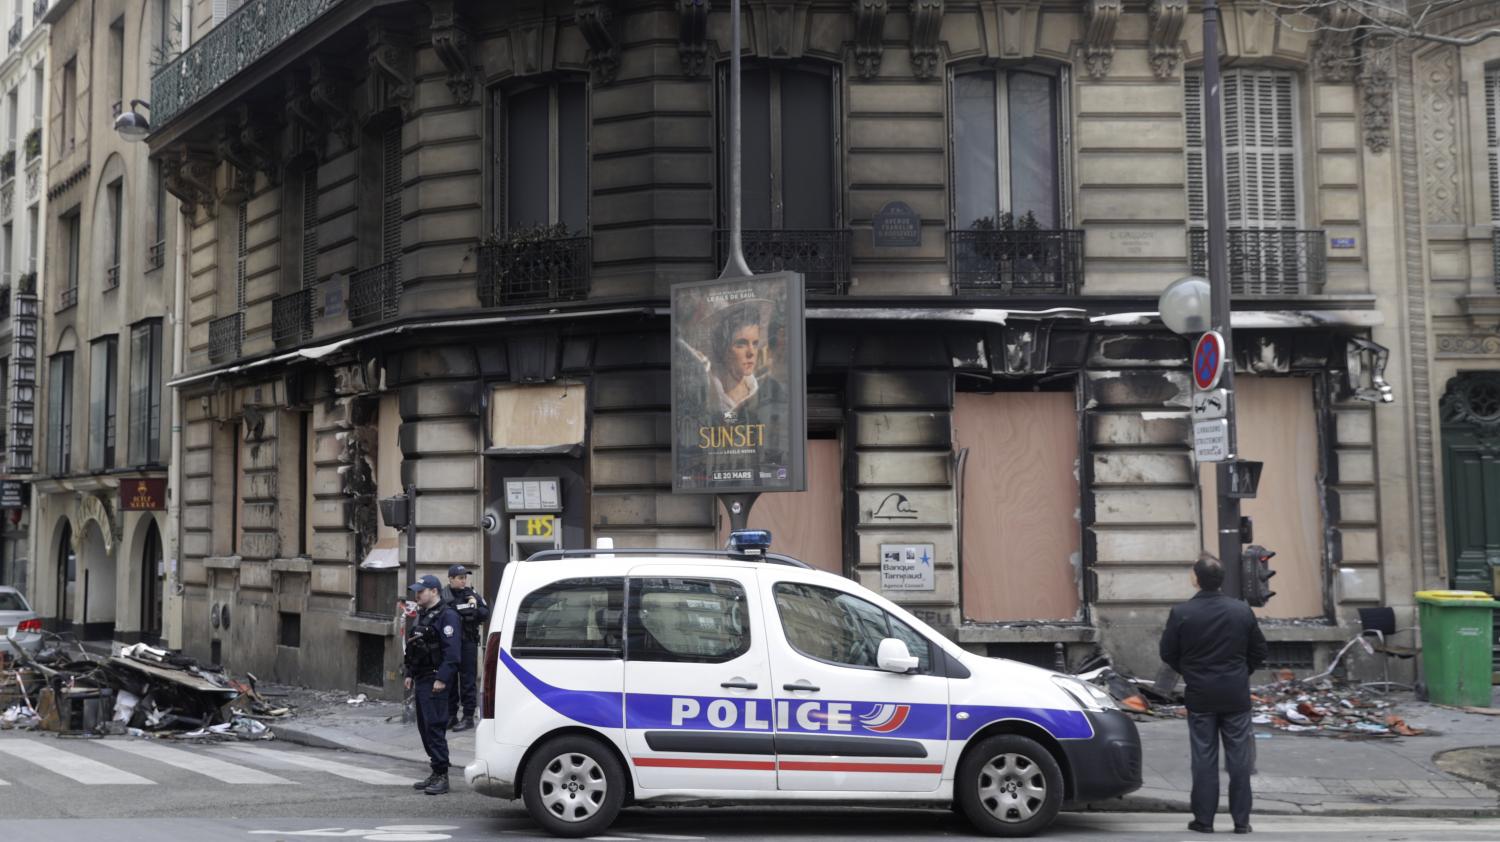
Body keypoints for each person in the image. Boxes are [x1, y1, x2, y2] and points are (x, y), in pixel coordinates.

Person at [1159, 555, 1269, 835]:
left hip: (1201, 695)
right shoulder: (1241, 611)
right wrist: (1240, 672)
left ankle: (1204, 820)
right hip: (1235, 694)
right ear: (1221, 580)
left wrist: (1190, 671)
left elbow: (1168, 653)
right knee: (1240, 759)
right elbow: (1259, 651)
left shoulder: (1182, 612)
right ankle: (1241, 821)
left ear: (1196, 579)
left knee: (1204, 759)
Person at [404, 574, 462, 795]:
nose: (417, 595)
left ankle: (442, 775)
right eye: (416, 591)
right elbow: (414, 647)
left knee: (435, 726)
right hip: (422, 677)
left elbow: (453, 654)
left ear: (434, 592)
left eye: (421, 591)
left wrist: (442, 679)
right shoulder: (423, 615)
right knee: (424, 727)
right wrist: (409, 671)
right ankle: (435, 770)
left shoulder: (448, 616)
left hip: (436, 679)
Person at [443, 564, 489, 732]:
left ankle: (468, 716)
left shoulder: (471, 594)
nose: (463, 581)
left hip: (468, 642)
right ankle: (451, 715)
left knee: (468, 679)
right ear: (451, 579)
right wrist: (467, 609)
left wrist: (473, 609)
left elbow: (485, 612)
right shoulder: (444, 595)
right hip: (449, 644)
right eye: (460, 578)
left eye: (465, 578)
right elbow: (445, 614)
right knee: (450, 680)